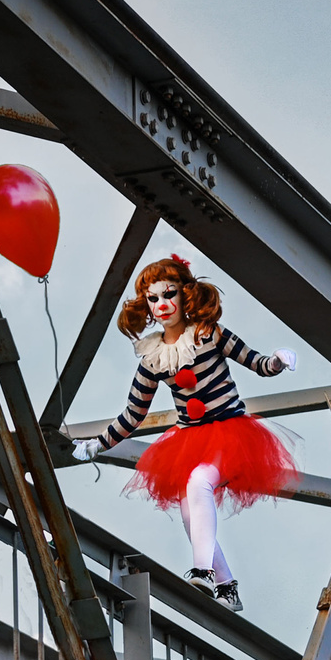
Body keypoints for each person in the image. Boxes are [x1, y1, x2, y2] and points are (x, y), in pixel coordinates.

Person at [73, 255, 297, 612]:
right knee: (189, 512)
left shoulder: (209, 334)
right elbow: (134, 413)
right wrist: (97, 445)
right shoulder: (152, 357)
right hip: (189, 437)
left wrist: (280, 360)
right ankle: (227, 586)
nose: (162, 305)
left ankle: (203, 571)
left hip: (230, 432)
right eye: (153, 299)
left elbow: (257, 363)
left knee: (198, 483)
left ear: (185, 295)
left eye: (169, 295)